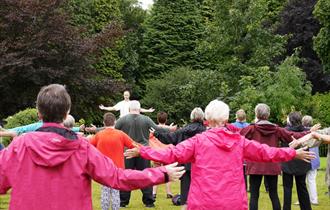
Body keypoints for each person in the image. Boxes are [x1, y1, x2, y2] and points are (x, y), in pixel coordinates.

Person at [0, 84, 185, 210]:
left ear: (39, 113)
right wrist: (161, 173)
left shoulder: (20, 146)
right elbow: (117, 177)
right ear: (66, 114)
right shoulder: (81, 147)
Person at [124, 99, 315, 210]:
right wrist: (292, 153)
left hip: (203, 202)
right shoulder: (238, 142)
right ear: (226, 118)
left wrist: (143, 150)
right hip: (233, 202)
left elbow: (171, 153)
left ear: (207, 119)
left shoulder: (199, 141)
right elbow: (267, 153)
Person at [240, 103, 316, 210]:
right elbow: (292, 136)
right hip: (271, 164)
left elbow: (236, 137)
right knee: (273, 194)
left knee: (254, 195)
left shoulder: (251, 128)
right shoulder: (276, 129)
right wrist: (309, 132)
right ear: (268, 114)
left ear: (256, 114)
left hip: (255, 165)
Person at [115, 100, 175, 208]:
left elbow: (113, 131)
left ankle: (123, 201)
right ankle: (149, 201)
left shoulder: (122, 120)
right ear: (139, 109)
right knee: (146, 176)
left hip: (128, 151)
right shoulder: (146, 119)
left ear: (129, 109)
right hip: (143, 151)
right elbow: (157, 129)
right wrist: (170, 129)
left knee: (125, 176)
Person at [152, 107, 206, 209]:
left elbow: (170, 138)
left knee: (185, 190)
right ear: (202, 117)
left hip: (185, 163)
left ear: (192, 117)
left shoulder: (184, 130)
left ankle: (185, 205)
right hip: (201, 163)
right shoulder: (206, 132)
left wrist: (157, 134)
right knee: (201, 187)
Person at [89, 112, 135, 210]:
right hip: (117, 168)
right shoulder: (121, 134)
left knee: (105, 191)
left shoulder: (99, 135)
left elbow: (88, 146)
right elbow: (133, 145)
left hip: (103, 167)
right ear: (115, 122)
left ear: (103, 122)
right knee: (115, 191)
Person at [281, 112, 312, 210]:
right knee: (302, 188)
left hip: (289, 162)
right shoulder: (307, 131)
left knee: (287, 189)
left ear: (290, 120)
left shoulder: (284, 131)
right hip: (301, 162)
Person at [149, 111, 173, 200]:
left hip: (156, 154)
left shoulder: (153, 130)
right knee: (168, 172)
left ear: (157, 119)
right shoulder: (169, 130)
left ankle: (154, 192)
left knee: (156, 172)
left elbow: (150, 140)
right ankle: (169, 192)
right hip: (167, 153)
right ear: (166, 120)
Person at [300, 115, 320, 205]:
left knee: (302, 182)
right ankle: (314, 200)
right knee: (312, 180)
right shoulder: (317, 132)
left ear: (303, 122)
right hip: (314, 158)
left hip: (306, 158)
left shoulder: (303, 132)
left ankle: (303, 199)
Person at [232, 109, 250, 191]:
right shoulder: (249, 126)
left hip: (236, 150)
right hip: (246, 149)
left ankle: (236, 187)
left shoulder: (232, 126)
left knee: (236, 170)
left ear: (236, 116)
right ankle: (245, 187)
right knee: (245, 171)